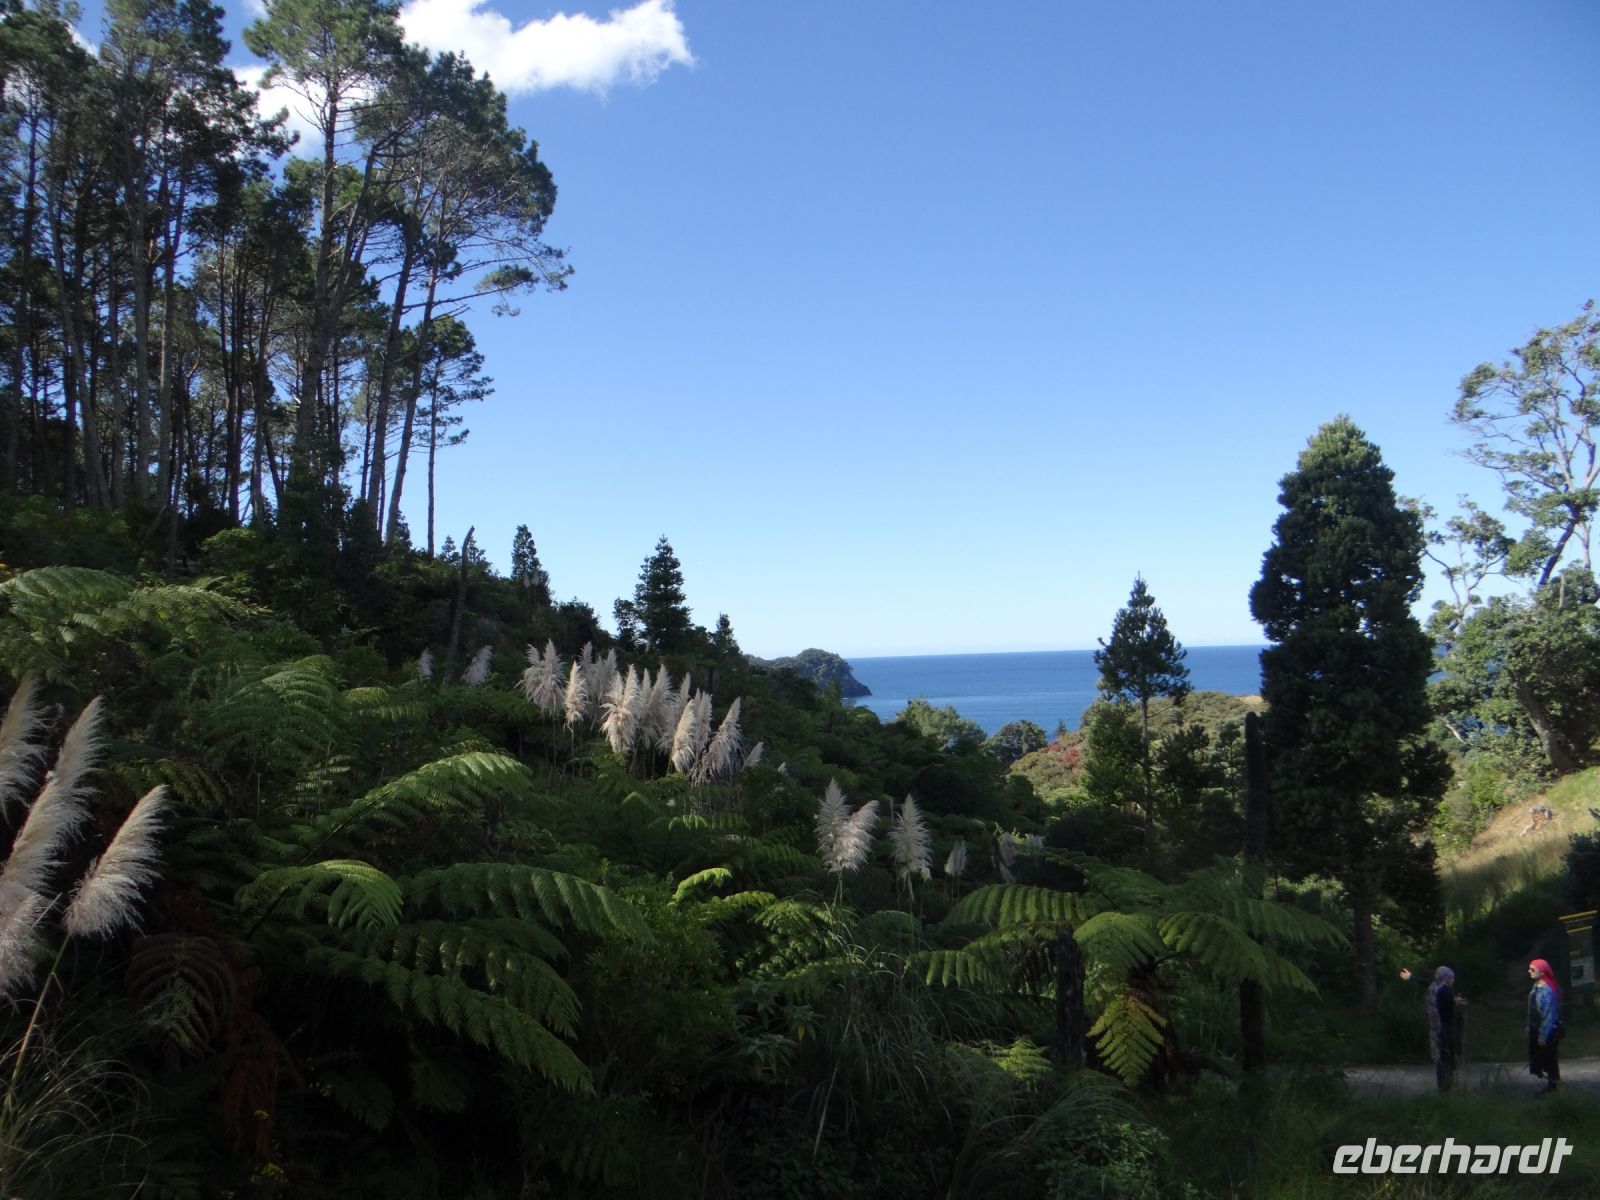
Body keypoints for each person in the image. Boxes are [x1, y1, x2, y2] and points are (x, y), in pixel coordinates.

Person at [1398, 966, 1461, 1090]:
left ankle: (1443, 1087)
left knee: (1439, 1058)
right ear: (1447, 978)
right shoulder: (1444, 991)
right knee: (1447, 1059)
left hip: (1434, 1028)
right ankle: (1446, 1087)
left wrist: (1411, 977)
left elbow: (1425, 982)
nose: (1453, 980)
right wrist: (1455, 1002)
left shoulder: (1433, 987)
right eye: (1451, 977)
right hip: (1444, 1029)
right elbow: (1446, 1006)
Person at [1527, 957, 1563, 1094]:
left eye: (1532, 969)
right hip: (1536, 1027)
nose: (1529, 971)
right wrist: (1529, 1025)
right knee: (1540, 1057)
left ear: (1542, 972)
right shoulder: (1536, 986)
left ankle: (1553, 1087)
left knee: (1549, 1059)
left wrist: (1543, 1035)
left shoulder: (1548, 991)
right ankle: (1550, 1085)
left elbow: (1549, 1014)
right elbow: (1532, 1008)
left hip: (1549, 1030)